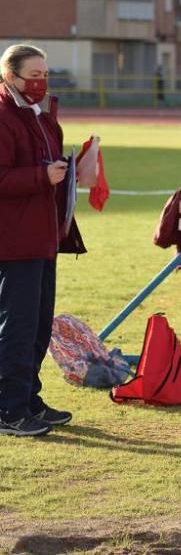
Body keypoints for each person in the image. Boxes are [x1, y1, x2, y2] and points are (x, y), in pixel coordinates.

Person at [0, 43, 85, 436]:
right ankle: (9, 408)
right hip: (14, 240)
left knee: (37, 324)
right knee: (16, 327)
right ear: (10, 76)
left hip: (44, 235)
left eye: (45, 75)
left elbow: (51, 168)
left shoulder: (44, 115)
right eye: (34, 76)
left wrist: (72, 171)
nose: (41, 82)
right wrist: (40, 177)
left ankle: (28, 399)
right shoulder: (3, 116)